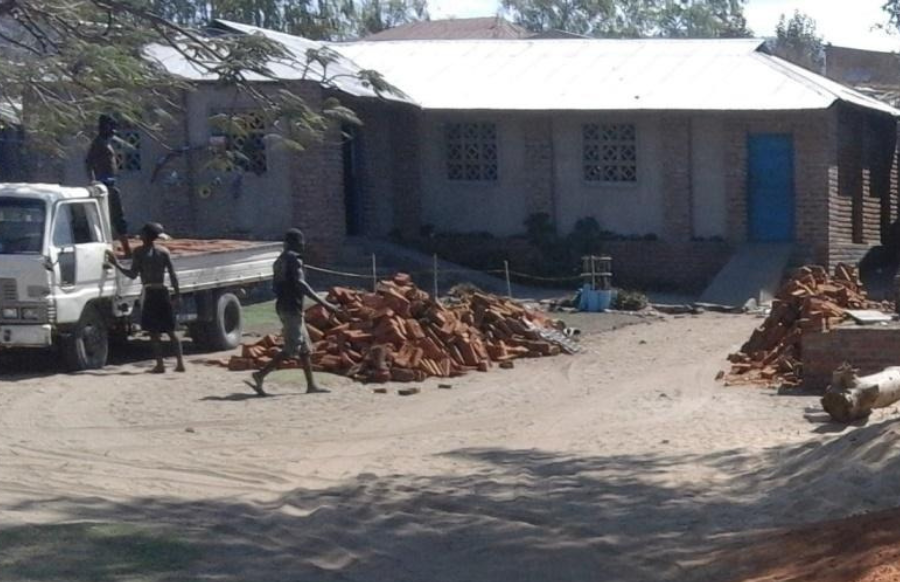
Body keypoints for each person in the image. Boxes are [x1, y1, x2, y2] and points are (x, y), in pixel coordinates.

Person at [246, 228, 338, 397]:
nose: (303, 245)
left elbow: (276, 286)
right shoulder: (294, 260)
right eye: (301, 242)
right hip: (291, 308)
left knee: (305, 349)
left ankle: (311, 385)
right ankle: (260, 375)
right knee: (291, 348)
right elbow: (301, 284)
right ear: (295, 243)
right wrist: (326, 304)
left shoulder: (279, 261)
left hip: (285, 306)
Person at [107, 222, 186, 374]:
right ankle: (180, 363)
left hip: (150, 293)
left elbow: (132, 274)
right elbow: (173, 275)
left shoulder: (139, 252)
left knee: (153, 331)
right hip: (163, 291)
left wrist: (115, 264)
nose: (140, 235)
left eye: (142, 233)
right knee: (170, 330)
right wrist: (177, 294)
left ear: (146, 236)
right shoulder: (164, 251)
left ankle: (160, 365)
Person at [86, 114, 131, 257]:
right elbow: (88, 162)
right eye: (111, 127)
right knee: (116, 217)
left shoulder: (106, 143)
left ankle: (123, 248)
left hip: (110, 183)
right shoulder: (98, 143)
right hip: (104, 184)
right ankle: (125, 250)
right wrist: (94, 181)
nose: (113, 131)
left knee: (117, 217)